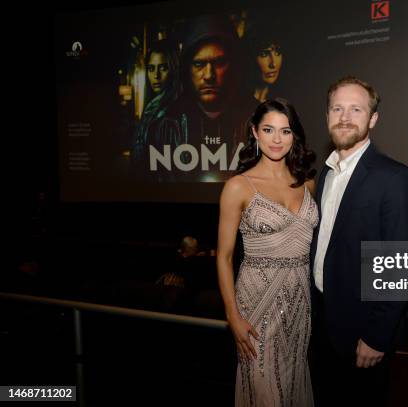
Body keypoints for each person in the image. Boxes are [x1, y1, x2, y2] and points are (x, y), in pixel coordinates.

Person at [309, 76, 408, 406]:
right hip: (324, 327)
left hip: (363, 334)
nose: (344, 117)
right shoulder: (325, 173)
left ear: (372, 119)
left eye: (356, 109)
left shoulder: (394, 178)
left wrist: (376, 336)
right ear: (327, 115)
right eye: (337, 108)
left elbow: (401, 266)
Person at [216, 98, 318, 406]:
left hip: (300, 301)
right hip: (258, 302)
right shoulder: (238, 186)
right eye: (268, 130)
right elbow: (223, 257)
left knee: (292, 385)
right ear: (255, 133)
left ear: (294, 135)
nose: (277, 139)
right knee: (264, 389)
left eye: (285, 131)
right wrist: (232, 316)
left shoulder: (308, 183)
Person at [143, 14, 257, 182]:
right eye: (199, 64)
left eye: (219, 63)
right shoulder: (165, 125)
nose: (209, 75)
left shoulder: (258, 119)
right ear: (187, 70)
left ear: (233, 65)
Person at [131, 39, 180, 176]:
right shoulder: (151, 108)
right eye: (151, 69)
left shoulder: (172, 114)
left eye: (163, 68)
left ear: (174, 69)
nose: (156, 76)